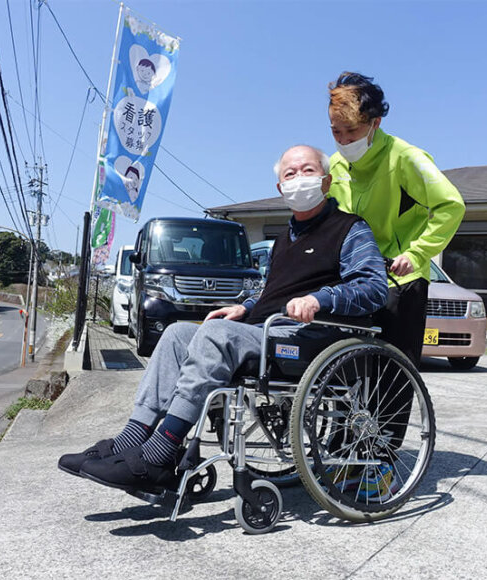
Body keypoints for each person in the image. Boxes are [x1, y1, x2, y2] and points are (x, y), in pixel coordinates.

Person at [58, 145, 389, 493]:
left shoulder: (350, 229)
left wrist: (318, 299)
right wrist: (246, 306)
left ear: (326, 181)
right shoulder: (284, 241)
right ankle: (132, 438)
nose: (298, 180)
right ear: (280, 188)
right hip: (265, 332)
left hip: (307, 338)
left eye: (308, 171)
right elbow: (271, 291)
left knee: (217, 334)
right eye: (289, 174)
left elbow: (373, 288)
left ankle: (161, 452)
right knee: (176, 334)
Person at [326, 72, 466, 368]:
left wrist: (416, 253)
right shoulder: (335, 165)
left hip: (398, 278)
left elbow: (450, 205)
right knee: (340, 369)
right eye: (336, 132)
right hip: (352, 279)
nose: (343, 140)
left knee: (394, 374)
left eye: (351, 131)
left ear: (375, 123)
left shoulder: (405, 158)